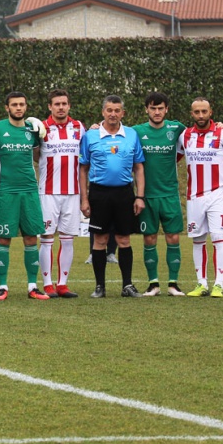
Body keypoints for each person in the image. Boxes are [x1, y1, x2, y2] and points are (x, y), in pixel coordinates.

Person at [79, 95, 146, 298]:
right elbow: (83, 169)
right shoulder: (90, 136)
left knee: (124, 239)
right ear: (103, 112)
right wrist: (84, 198)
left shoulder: (132, 135)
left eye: (117, 110)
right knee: (100, 239)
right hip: (99, 193)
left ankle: (127, 285)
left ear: (123, 113)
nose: (113, 114)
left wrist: (139, 196)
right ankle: (100, 286)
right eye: (109, 110)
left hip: (125, 193)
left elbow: (139, 167)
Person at [0, 92, 48, 301]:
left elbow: (39, 157)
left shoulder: (33, 130)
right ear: (7, 107)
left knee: (31, 238)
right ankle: (3, 287)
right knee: (4, 239)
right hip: (5, 191)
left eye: (21, 104)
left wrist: (41, 133)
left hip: (30, 190)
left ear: (26, 107)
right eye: (14, 105)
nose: (18, 108)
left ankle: (32, 286)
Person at [180, 98, 223, 298]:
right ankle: (201, 284)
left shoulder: (222, 133)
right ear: (191, 114)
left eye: (204, 111)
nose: (200, 115)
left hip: (217, 194)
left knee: (218, 238)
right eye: (197, 112)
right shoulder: (185, 136)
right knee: (197, 240)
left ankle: (218, 285)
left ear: (210, 112)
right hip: (194, 197)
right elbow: (172, 158)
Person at [132, 92, 188, 297]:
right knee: (149, 238)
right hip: (146, 196)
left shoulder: (176, 129)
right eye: (153, 108)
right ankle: (153, 283)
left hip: (170, 194)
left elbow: (199, 133)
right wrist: (97, 126)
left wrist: (216, 125)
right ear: (146, 109)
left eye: (160, 108)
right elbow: (115, 132)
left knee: (173, 237)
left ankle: (173, 283)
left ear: (166, 110)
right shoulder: (136, 131)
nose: (157, 112)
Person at [37, 89, 85, 298]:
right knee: (47, 237)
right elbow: (34, 154)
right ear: (50, 106)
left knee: (68, 238)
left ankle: (62, 284)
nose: (61, 107)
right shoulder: (41, 128)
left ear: (69, 106)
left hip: (73, 192)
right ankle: (47, 284)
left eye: (64, 103)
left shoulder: (79, 127)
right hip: (48, 192)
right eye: (57, 104)